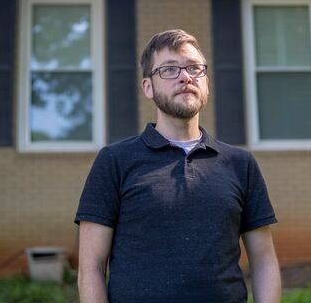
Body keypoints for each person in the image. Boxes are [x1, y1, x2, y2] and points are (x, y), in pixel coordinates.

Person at [75, 29, 281, 303]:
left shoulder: (240, 164)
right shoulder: (114, 161)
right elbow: (91, 267)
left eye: (194, 68)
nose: (185, 77)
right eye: (169, 69)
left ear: (206, 82)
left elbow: (264, 260)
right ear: (148, 87)